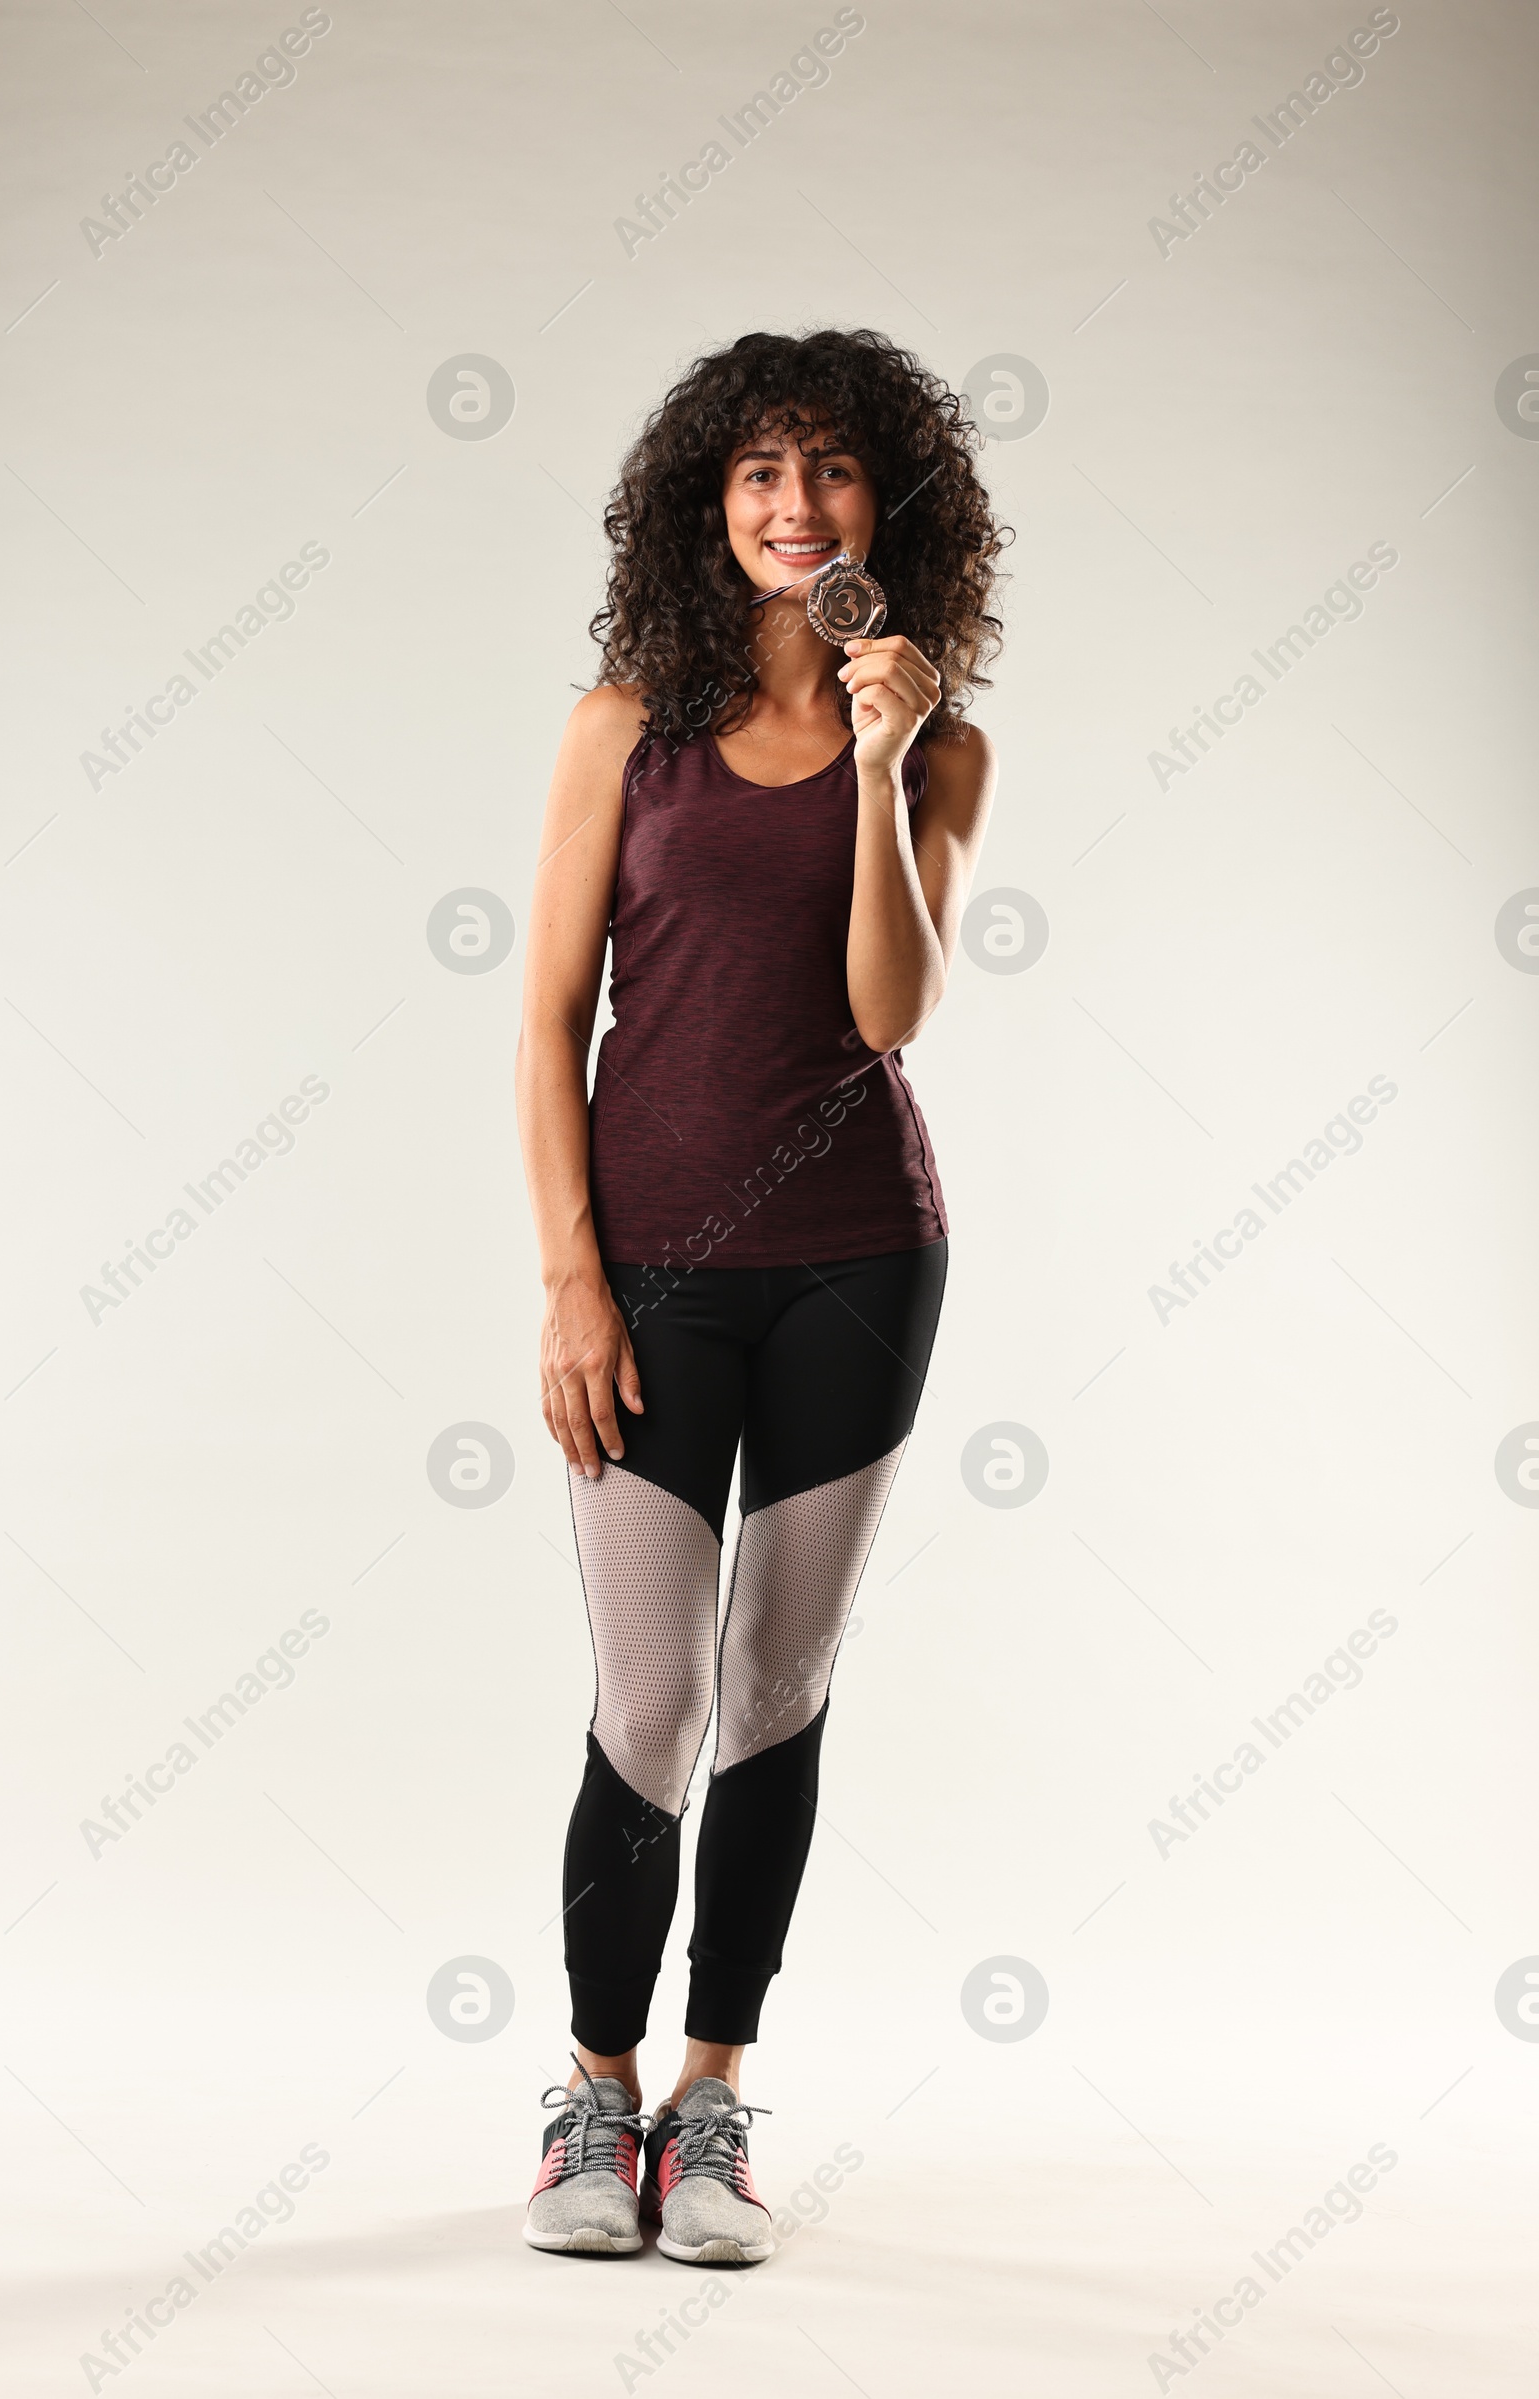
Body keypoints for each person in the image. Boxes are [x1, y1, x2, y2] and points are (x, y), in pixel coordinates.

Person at [513, 327, 1002, 2263]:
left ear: (893, 508)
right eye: (758, 475)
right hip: (647, 1260)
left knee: (772, 1692)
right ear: (706, 510)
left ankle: (712, 2099)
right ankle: (591, 2096)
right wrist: (570, 1282)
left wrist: (883, 765)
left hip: (862, 1265)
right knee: (644, 1699)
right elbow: (550, 1013)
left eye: (832, 473)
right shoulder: (622, 724)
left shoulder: (940, 741)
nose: (795, 508)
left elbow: (890, 1015)